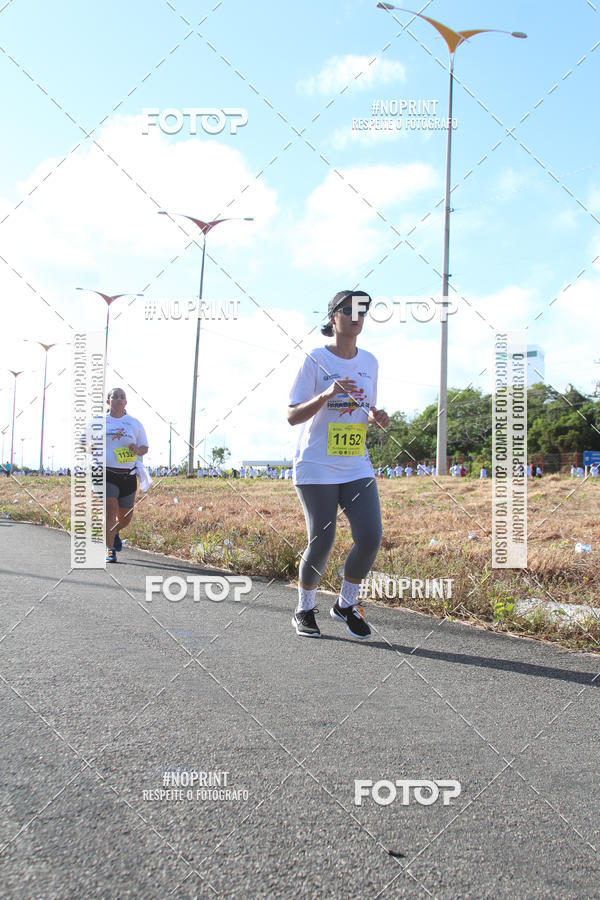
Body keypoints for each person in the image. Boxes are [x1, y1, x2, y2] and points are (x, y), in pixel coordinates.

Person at [287, 290, 389, 640]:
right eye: (348, 310)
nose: (356, 316)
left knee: (370, 536)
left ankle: (345, 605)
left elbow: (366, 409)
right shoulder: (315, 358)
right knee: (323, 539)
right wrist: (327, 394)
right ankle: (304, 608)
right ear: (333, 317)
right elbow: (292, 415)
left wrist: (377, 416)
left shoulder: (370, 362)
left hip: (355, 463)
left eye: (362, 311)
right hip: (316, 465)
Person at [89, 388, 149, 563]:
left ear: (126, 402)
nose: (118, 399)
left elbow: (145, 447)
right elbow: (84, 443)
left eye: (122, 397)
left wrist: (137, 450)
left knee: (125, 517)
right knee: (110, 510)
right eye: (115, 396)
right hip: (104, 472)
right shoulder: (98, 422)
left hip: (127, 475)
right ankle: (109, 550)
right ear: (108, 401)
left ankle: (114, 531)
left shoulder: (134, 423)